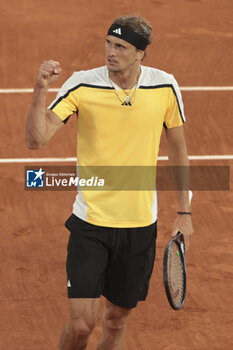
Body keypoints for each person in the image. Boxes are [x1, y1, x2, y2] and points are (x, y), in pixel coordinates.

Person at [26, 15, 193, 350]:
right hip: (91, 224)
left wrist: (184, 212)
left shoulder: (164, 86)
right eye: (108, 43)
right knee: (81, 325)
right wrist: (40, 89)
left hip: (139, 226)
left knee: (116, 322)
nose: (110, 52)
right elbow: (36, 139)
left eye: (121, 46)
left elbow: (178, 149)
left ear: (140, 53)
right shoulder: (82, 84)